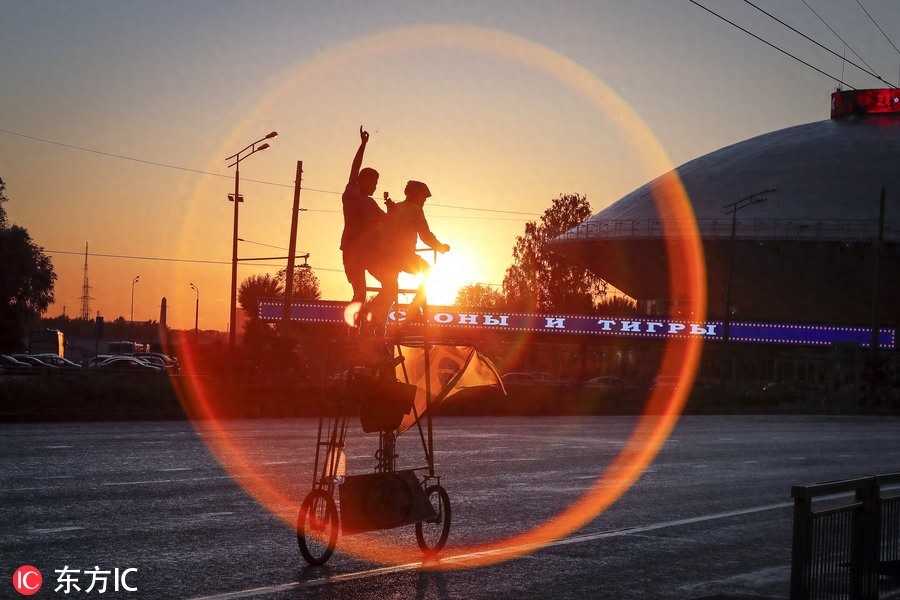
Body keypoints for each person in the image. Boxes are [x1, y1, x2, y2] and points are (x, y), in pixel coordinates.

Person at [369, 180, 450, 323]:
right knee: (427, 270)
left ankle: (372, 312)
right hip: (403, 256)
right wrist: (440, 247)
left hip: (386, 257)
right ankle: (414, 307)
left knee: (390, 291)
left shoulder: (396, 208)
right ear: (416, 195)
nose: (424, 201)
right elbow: (425, 235)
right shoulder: (415, 210)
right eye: (423, 198)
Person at [341, 126, 387, 304]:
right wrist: (363, 145)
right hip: (353, 251)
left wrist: (392, 209)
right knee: (360, 292)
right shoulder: (352, 192)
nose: (375, 187)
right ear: (363, 180)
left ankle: (365, 319)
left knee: (378, 287)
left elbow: (388, 221)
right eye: (374, 183)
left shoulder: (371, 203)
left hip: (366, 251)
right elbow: (355, 167)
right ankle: (354, 329)